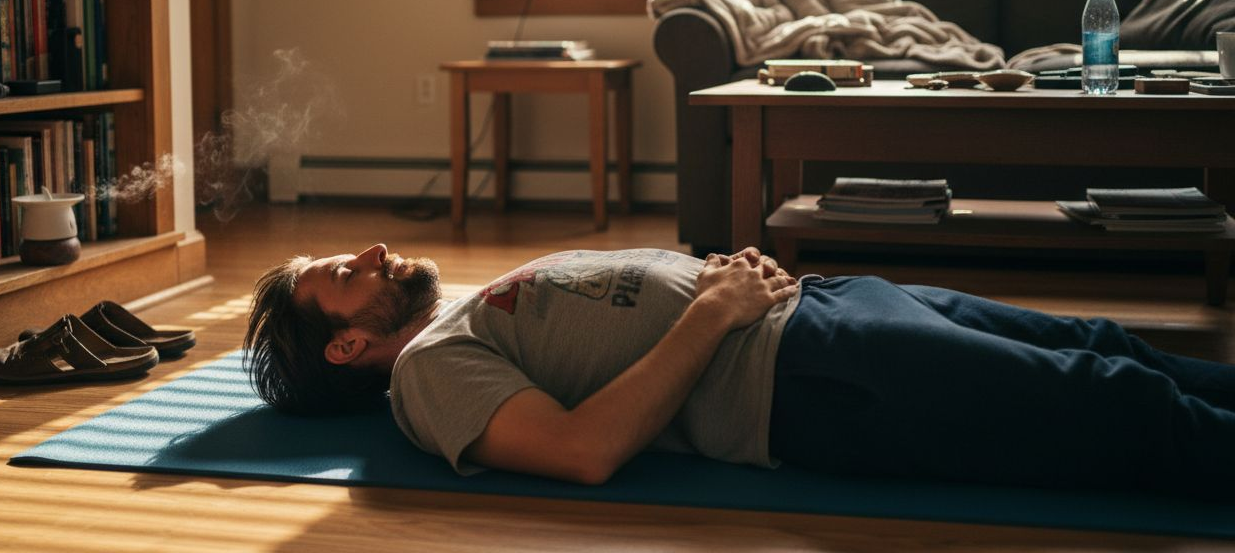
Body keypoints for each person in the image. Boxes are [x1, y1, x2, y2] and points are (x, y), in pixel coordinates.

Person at [244, 244, 1235, 495]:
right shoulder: (427, 376)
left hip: (826, 306)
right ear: (345, 346)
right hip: (810, 379)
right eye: (343, 274)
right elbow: (584, 451)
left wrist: (725, 277)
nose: (368, 255)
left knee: (1112, 349)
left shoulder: (462, 313)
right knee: (1119, 409)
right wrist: (718, 309)